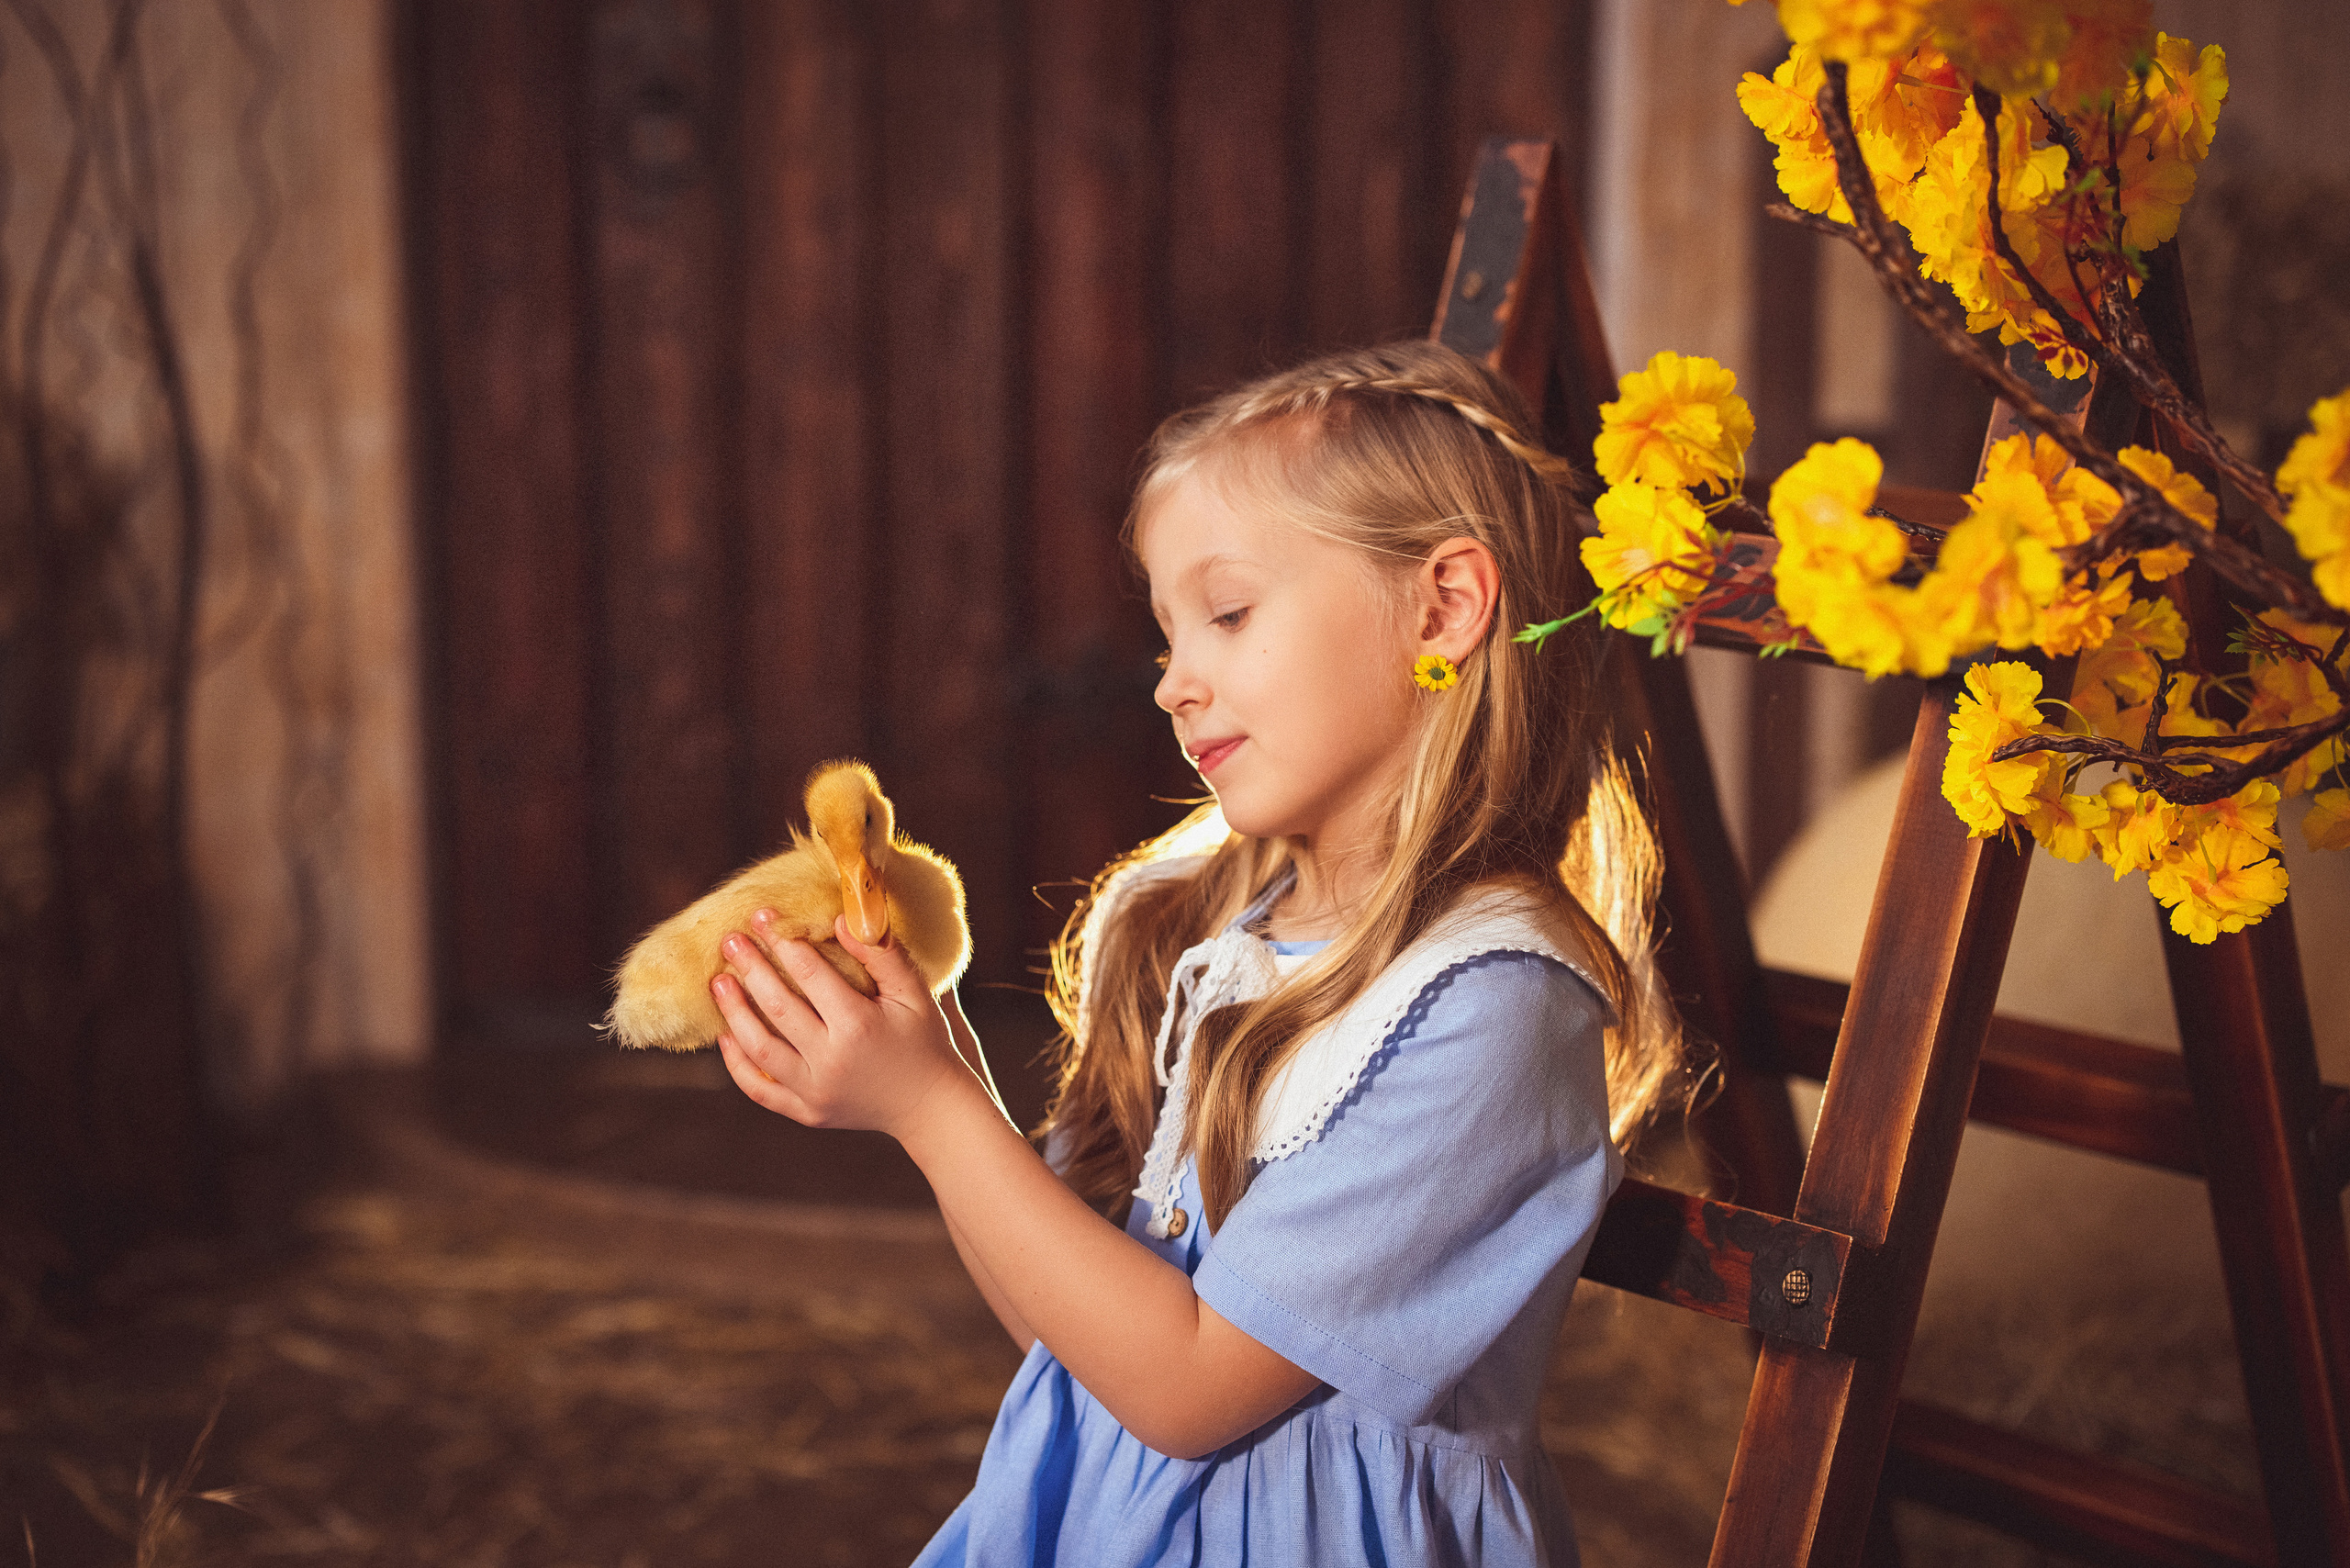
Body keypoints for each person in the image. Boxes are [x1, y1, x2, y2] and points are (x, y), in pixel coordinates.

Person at [708, 340, 1688, 1566]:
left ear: (1443, 606)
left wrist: (930, 1111)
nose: (1173, 684)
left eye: (1227, 614)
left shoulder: (1488, 1001)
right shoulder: (1239, 937)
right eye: (1169, 635)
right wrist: (936, 1060)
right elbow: (1077, 1343)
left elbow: (1187, 1390)